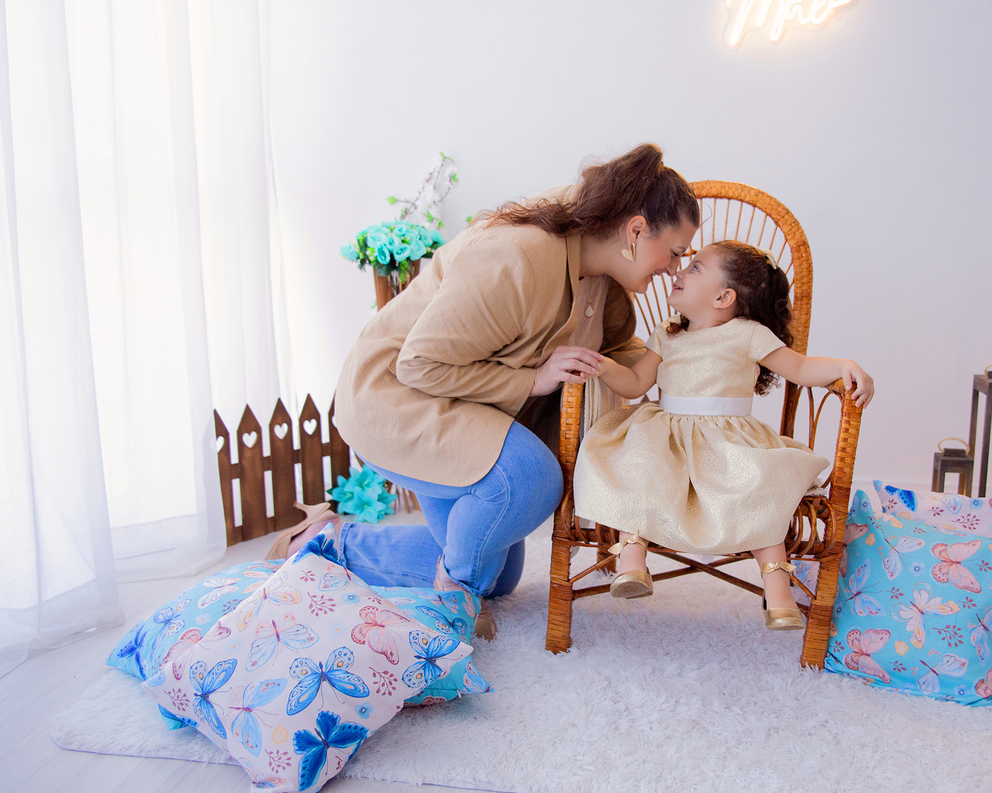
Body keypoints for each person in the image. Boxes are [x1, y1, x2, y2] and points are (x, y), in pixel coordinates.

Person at [267, 144, 700, 640]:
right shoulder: (516, 258)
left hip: (463, 399)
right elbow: (419, 364)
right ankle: (451, 602)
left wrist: (691, 356)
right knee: (528, 480)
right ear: (636, 230)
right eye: (674, 252)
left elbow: (621, 348)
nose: (674, 268)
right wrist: (533, 381)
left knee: (499, 575)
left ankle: (327, 541)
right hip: (395, 395)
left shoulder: (599, 271)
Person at [573, 240, 874, 630]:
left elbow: (798, 368)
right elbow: (635, 384)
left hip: (728, 439)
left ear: (723, 297)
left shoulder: (746, 333)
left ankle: (777, 586)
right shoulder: (667, 334)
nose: (679, 270)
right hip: (666, 434)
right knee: (639, 464)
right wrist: (603, 366)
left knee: (761, 483)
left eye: (695, 267)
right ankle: (632, 559)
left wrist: (845, 364)